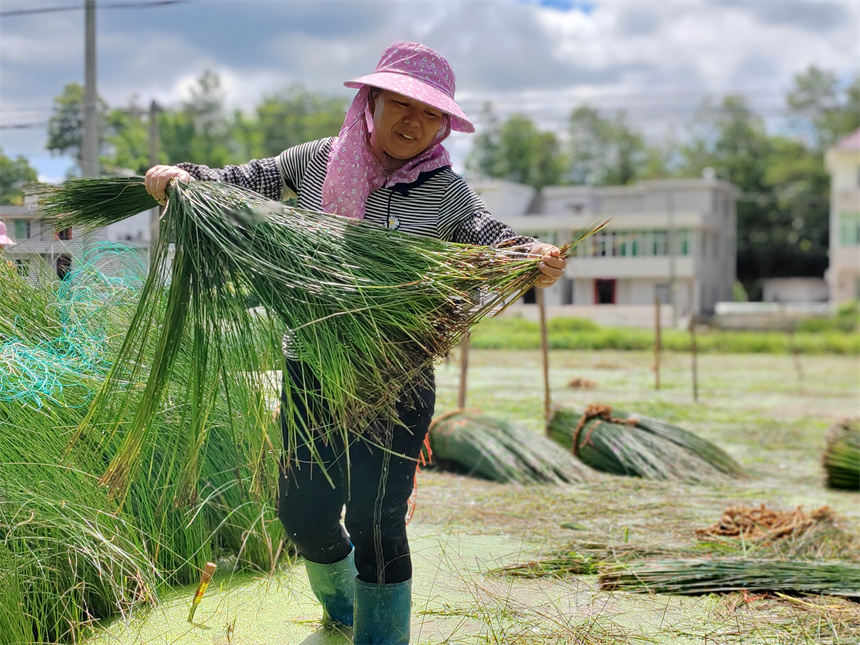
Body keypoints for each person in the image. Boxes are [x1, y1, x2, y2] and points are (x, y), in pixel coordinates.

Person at [144, 41, 565, 645]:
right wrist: (182, 177)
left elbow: (490, 235)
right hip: (313, 366)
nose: (413, 122)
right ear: (371, 102)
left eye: (430, 114)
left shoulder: (444, 190)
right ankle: (343, 614)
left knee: (377, 521)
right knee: (303, 512)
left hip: (398, 376)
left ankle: (382, 636)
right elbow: (245, 181)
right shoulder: (317, 162)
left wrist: (534, 257)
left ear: (444, 124)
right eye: (400, 104)